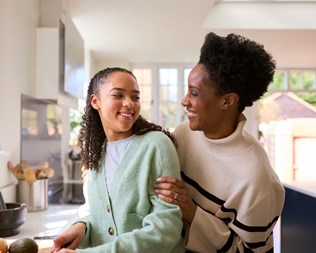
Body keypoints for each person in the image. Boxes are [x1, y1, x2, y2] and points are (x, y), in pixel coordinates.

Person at [154, 32, 285, 253]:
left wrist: (193, 212)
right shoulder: (184, 133)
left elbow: (250, 250)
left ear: (227, 101)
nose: (184, 101)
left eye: (194, 93)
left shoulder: (255, 178)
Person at [51, 67, 184, 253]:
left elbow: (165, 231)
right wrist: (81, 228)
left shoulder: (156, 145)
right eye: (118, 95)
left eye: (135, 97)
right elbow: (102, 217)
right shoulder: (96, 155)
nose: (129, 103)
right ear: (95, 101)